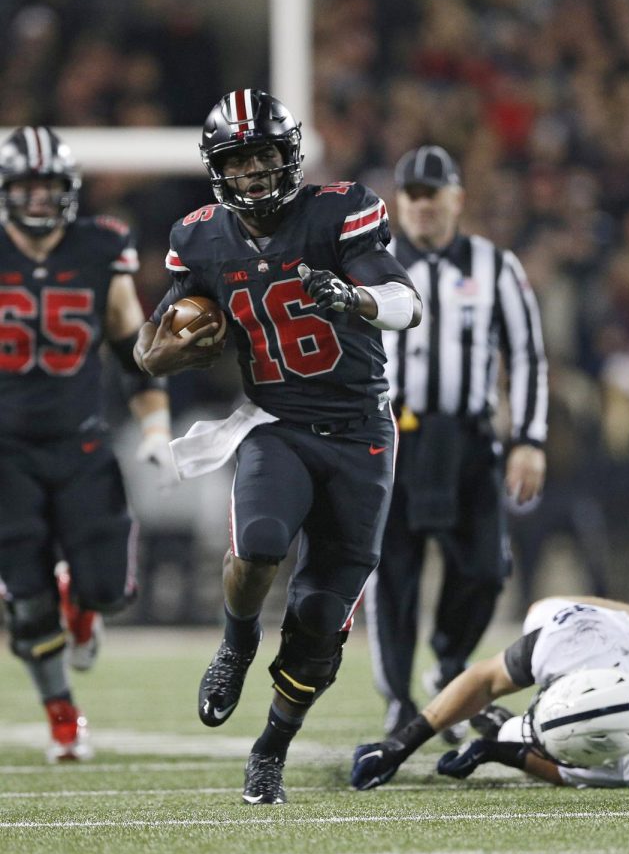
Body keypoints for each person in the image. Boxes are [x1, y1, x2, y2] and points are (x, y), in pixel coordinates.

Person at [133, 88, 422, 805]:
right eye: (239, 161)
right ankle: (235, 644)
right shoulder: (200, 236)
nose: (254, 173)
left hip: (359, 435)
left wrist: (353, 300)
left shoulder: (340, 209)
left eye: (264, 156)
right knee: (259, 542)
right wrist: (171, 351)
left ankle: (269, 752)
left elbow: (405, 302)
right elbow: (150, 346)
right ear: (216, 170)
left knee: (320, 624)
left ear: (290, 155)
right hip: (277, 423)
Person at [0, 126, 173, 762]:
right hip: (5, 453)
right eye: (28, 188)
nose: (40, 200)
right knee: (27, 598)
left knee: (110, 590)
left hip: (79, 443)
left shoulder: (101, 246)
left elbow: (134, 347)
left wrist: (154, 424)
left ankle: (85, 606)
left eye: (50, 188)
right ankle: (63, 717)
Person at [364, 145, 548, 740]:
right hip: (393, 437)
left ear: (456, 199)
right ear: (398, 201)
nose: (420, 205)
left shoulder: (496, 265)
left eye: (431, 193)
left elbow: (526, 355)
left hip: (468, 439)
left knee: (488, 568)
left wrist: (529, 439)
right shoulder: (372, 262)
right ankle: (397, 698)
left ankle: (447, 661)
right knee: (392, 573)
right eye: (410, 194)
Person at [351, 571, 629, 790]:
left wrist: (499, 749)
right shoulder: (584, 642)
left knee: (513, 723)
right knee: (547, 611)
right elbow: (487, 682)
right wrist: (401, 744)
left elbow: (561, 768)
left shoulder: (623, 764)